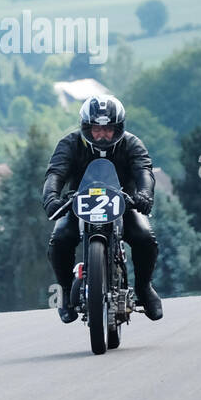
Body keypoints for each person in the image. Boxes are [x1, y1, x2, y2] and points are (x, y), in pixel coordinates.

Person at [42, 94, 163, 323]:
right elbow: (55, 173)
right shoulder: (69, 143)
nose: (102, 134)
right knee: (59, 239)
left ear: (119, 128)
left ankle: (145, 288)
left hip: (124, 204)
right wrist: (51, 198)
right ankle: (66, 293)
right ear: (86, 127)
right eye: (97, 129)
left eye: (109, 129)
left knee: (145, 238)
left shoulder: (132, 143)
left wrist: (145, 194)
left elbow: (144, 171)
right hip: (78, 204)